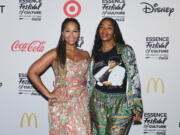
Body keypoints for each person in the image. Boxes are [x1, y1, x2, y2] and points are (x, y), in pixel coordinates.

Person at [28, 18, 91, 135]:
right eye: (68, 31)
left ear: (79, 33)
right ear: (62, 33)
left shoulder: (85, 54)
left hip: (82, 103)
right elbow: (32, 72)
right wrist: (49, 94)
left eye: (75, 31)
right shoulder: (55, 53)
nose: (71, 35)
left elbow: (88, 79)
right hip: (62, 104)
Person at [89, 17, 143, 135]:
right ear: (98, 31)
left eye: (109, 28)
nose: (104, 30)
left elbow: (134, 78)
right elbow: (91, 82)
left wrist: (137, 107)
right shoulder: (95, 54)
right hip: (98, 103)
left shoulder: (125, 50)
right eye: (101, 27)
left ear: (115, 32)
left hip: (122, 103)